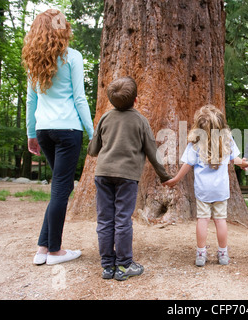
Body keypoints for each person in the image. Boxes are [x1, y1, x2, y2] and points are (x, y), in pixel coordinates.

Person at [23, 9, 94, 265]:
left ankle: (42, 248)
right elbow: (79, 98)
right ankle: (55, 251)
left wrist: (31, 134)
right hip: (67, 131)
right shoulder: (72, 57)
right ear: (63, 28)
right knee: (62, 189)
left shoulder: (34, 60)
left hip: (43, 130)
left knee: (59, 188)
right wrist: (93, 132)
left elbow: (31, 100)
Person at [88, 76, 172, 280]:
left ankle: (108, 266)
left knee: (105, 219)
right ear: (136, 99)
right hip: (127, 178)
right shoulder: (140, 120)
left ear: (110, 100)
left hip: (103, 174)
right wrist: (164, 176)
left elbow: (92, 150)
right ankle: (124, 265)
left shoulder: (105, 118)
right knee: (122, 219)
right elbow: (153, 153)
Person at [163, 105, 248, 267]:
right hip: (221, 190)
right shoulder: (227, 141)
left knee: (203, 220)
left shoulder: (195, 144)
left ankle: (201, 253)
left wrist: (175, 179)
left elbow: (187, 165)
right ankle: (223, 253)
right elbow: (235, 159)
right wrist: (244, 164)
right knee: (220, 220)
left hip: (203, 190)